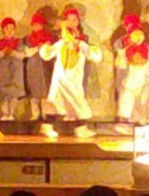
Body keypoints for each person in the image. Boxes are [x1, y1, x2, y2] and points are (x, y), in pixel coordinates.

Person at [39, 8, 102, 138]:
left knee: (76, 100)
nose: (72, 23)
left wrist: (94, 51)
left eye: (74, 20)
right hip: (61, 78)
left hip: (74, 79)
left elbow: (93, 55)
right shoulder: (61, 44)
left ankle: (80, 128)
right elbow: (47, 54)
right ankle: (47, 125)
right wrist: (45, 48)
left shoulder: (81, 44)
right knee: (56, 101)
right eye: (69, 20)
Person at [115, 20, 149, 132]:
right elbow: (121, 66)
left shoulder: (148, 51)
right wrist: (120, 60)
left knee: (142, 103)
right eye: (135, 34)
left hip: (143, 82)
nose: (138, 37)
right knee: (127, 103)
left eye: (140, 34)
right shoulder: (126, 51)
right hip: (130, 82)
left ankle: (140, 125)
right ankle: (124, 124)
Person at [0, 17, 25, 121]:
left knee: (14, 94)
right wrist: (3, 52)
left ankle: (12, 113)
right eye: (7, 28)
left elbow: (22, 55)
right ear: (3, 30)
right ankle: (5, 113)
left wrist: (13, 52)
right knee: (3, 94)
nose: (10, 31)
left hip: (15, 72)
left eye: (12, 28)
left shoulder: (18, 42)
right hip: (2, 72)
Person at [23, 13, 54, 121]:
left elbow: (50, 51)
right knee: (33, 90)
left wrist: (45, 46)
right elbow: (27, 53)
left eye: (39, 24)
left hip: (44, 66)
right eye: (35, 24)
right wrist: (37, 48)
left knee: (44, 89)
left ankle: (45, 113)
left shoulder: (48, 37)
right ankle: (35, 113)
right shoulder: (28, 38)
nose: (37, 27)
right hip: (32, 66)